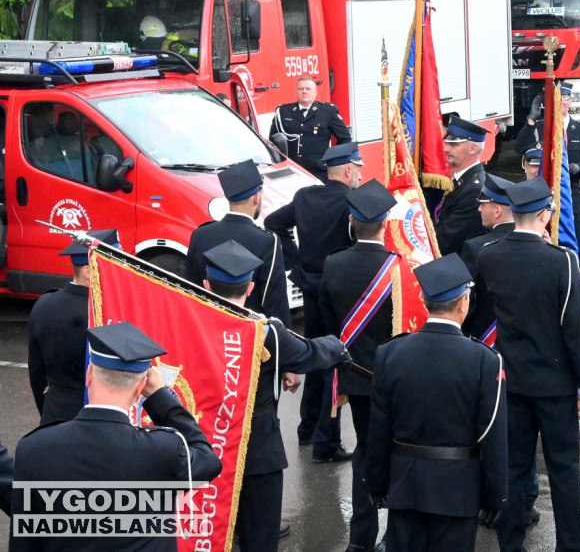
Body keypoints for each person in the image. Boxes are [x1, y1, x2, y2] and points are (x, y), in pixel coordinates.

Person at [12, 321, 224, 552]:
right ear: (141, 385)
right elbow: (208, 459)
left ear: (89, 374)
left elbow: (25, 543)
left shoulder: (34, 448)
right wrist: (160, 397)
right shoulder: (165, 450)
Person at [201, 240, 352, 551]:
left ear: (206, 284)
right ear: (251, 287)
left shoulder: (191, 324)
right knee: (260, 536)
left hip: (205, 442)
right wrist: (338, 345)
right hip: (258, 447)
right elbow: (311, 353)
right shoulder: (265, 332)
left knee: (210, 533)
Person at [475, 177, 580, 552]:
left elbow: (482, 316)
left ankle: (511, 545)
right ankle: (571, 546)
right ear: (545, 215)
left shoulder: (490, 254)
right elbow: (574, 328)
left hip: (508, 381)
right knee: (563, 471)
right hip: (555, 384)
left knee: (512, 469)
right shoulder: (561, 261)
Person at [365, 254, 507, 552]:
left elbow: (378, 427)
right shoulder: (484, 359)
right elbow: (492, 435)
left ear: (426, 302)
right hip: (458, 490)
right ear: (463, 303)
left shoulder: (390, 353)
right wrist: (496, 496)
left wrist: (376, 483)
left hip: (406, 485)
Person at [318, 180, 411, 551]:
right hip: (394, 380)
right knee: (400, 452)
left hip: (356, 380)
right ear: (386, 221)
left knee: (365, 453)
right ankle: (396, 534)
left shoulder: (333, 264)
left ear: (353, 221)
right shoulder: (399, 269)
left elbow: (326, 326)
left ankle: (360, 538)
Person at [265, 142, 362, 453]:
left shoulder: (305, 196)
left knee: (313, 355)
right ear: (349, 170)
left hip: (310, 286)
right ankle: (325, 438)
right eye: (358, 168)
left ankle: (308, 427)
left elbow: (274, 223)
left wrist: (296, 264)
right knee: (333, 359)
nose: (360, 173)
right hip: (340, 290)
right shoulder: (353, 200)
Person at [28, 229, 118, 425]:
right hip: (99, 415)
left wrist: (47, 410)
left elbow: (36, 373)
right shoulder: (107, 312)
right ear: (88, 271)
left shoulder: (44, 304)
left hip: (55, 411)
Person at [186, 159, 291, 325]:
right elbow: (275, 303)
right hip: (249, 333)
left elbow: (191, 291)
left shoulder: (200, 234)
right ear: (256, 198)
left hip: (207, 327)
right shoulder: (267, 242)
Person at [515, 82, 580, 273]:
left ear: (570, 102)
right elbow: (519, 147)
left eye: (563, 100)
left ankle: (579, 274)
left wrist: (579, 167)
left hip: (569, 193)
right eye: (555, 100)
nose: (560, 103)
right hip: (541, 193)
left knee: (574, 237)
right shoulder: (540, 127)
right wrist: (530, 121)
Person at [459, 174, 515, 340]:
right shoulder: (537, 244)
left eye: (483, 204)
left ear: (497, 211)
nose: (479, 209)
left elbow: (465, 301)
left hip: (485, 339)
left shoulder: (474, 247)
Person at [269, 76, 352, 182]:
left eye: (308, 89)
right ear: (296, 91)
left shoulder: (328, 111)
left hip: (319, 173)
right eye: (301, 89)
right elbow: (273, 141)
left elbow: (345, 138)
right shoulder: (283, 112)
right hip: (292, 173)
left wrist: (334, 162)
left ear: (315, 92)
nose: (304, 92)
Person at [436, 117, 489, 256]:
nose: (446, 148)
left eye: (454, 145)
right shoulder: (462, 180)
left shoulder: (474, 190)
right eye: (447, 143)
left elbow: (446, 241)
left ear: (473, 148)